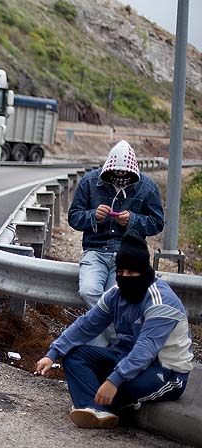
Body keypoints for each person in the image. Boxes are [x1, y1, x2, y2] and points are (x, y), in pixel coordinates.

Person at [35, 230, 193, 429]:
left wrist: (114, 380)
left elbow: (146, 349)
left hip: (166, 371)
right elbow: (86, 325)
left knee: (124, 385)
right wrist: (53, 353)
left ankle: (98, 404)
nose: (125, 277)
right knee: (74, 355)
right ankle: (96, 409)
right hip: (124, 358)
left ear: (144, 272)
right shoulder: (115, 295)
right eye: (120, 273)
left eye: (131, 273)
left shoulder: (161, 302)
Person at [68, 140, 164, 346]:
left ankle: (101, 349)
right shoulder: (89, 182)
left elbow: (157, 223)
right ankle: (115, 342)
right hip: (95, 250)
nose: (120, 178)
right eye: (116, 174)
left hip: (127, 254)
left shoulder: (147, 187)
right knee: (89, 290)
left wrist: (133, 221)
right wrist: (94, 216)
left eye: (125, 175)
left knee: (118, 298)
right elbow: (74, 217)